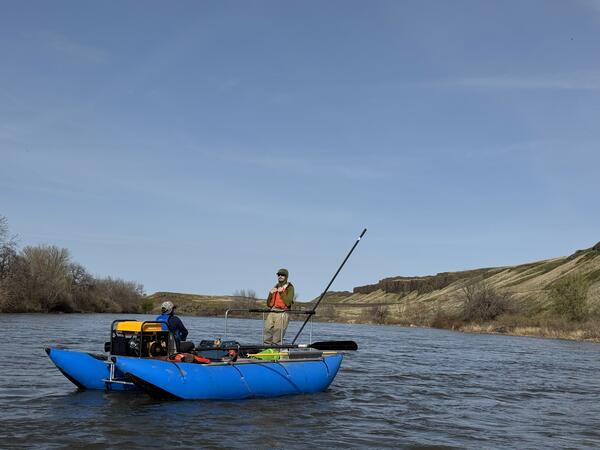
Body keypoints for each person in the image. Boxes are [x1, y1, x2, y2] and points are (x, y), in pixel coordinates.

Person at [263, 268, 295, 346]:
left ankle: (275, 353)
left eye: (282, 275)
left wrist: (281, 293)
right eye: (279, 275)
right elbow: (269, 304)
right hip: (273, 310)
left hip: (283, 312)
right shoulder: (276, 286)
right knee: (267, 330)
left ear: (286, 276)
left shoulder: (290, 287)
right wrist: (270, 294)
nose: (280, 276)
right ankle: (265, 351)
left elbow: (288, 303)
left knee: (277, 335)